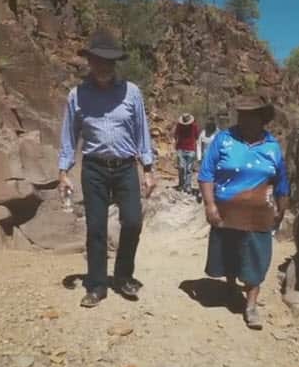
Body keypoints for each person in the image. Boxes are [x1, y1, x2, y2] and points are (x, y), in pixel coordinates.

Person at [58, 28, 156, 308]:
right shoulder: (77, 95)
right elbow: (69, 135)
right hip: (94, 169)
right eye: (98, 61)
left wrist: (148, 169)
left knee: (134, 221)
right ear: (90, 62)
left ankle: (124, 276)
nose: (103, 66)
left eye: (109, 61)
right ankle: (98, 284)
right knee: (97, 227)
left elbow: (142, 132)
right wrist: (64, 172)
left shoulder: (132, 93)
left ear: (115, 64)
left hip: (126, 166)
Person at [197, 94, 290, 330]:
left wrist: (282, 207)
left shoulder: (272, 146)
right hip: (227, 211)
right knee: (229, 251)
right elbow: (206, 173)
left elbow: (282, 180)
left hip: (260, 214)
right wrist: (210, 205)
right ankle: (229, 287)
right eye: (242, 115)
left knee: (257, 257)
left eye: (251, 115)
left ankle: (250, 305)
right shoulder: (223, 139)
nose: (245, 119)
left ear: (262, 118)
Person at [173, 113, 198, 193]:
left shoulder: (194, 126)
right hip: (181, 148)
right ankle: (181, 184)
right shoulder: (179, 125)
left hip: (191, 149)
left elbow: (197, 136)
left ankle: (187, 185)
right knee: (181, 168)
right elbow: (175, 135)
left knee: (189, 169)